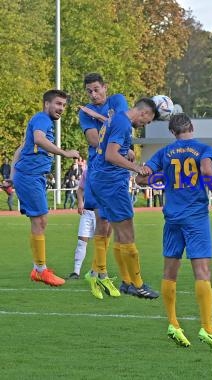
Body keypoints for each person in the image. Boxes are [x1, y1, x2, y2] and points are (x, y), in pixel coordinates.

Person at [140, 113, 212, 350]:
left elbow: (141, 178)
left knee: (170, 271)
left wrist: (159, 176)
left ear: (172, 132)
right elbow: (208, 173)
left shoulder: (164, 153)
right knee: (202, 271)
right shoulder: (202, 149)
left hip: (172, 217)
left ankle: (173, 323)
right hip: (195, 218)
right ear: (191, 127)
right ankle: (207, 329)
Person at [88, 97, 160, 299]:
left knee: (120, 233)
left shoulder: (114, 119)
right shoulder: (122, 123)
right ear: (144, 113)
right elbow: (111, 155)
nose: (143, 125)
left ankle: (127, 282)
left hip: (102, 180)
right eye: (146, 121)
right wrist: (137, 167)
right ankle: (137, 284)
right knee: (127, 232)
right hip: (111, 183)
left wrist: (126, 153)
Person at [12, 89, 80, 286]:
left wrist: (11, 176)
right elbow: (40, 140)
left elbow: (21, 148)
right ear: (46, 104)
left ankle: (38, 269)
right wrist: (65, 153)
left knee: (40, 221)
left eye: (64, 105)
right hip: (30, 177)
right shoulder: (42, 119)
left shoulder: (40, 121)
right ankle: (40, 269)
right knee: (40, 220)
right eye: (58, 104)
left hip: (32, 177)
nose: (61, 109)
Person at [78, 72, 131, 299]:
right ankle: (100, 274)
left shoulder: (117, 100)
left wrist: (101, 119)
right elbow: (94, 141)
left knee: (109, 223)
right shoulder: (84, 115)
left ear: (105, 87)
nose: (93, 94)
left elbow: (123, 123)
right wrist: (112, 132)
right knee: (103, 221)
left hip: (118, 169)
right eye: (89, 91)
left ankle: (96, 272)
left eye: (96, 89)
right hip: (100, 171)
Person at [68, 167, 96, 279]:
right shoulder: (87, 171)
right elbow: (80, 189)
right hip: (87, 212)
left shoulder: (107, 169)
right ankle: (76, 271)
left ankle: (97, 271)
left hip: (102, 212)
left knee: (101, 243)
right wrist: (80, 202)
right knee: (81, 242)